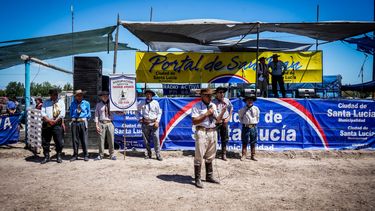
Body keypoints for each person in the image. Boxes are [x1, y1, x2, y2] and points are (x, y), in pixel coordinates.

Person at [191, 88, 226, 188]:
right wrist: (206, 113)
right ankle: (197, 178)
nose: (210, 97)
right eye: (207, 95)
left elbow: (217, 119)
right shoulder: (196, 106)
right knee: (199, 155)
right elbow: (194, 121)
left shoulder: (213, 105)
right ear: (202, 96)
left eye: (211, 95)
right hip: (201, 131)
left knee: (211, 155)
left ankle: (209, 176)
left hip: (212, 131)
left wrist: (222, 112)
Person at [40, 89, 66, 164]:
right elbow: (43, 113)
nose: (55, 96)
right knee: (45, 141)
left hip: (57, 123)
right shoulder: (46, 102)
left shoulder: (61, 102)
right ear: (50, 95)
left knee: (59, 141)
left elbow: (62, 114)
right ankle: (46, 156)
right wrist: (49, 120)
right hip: (47, 123)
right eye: (53, 94)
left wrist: (55, 121)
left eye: (56, 94)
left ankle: (58, 155)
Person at [138, 89, 163, 161]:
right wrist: (139, 118)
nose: (148, 95)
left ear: (152, 95)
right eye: (147, 94)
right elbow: (136, 111)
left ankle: (158, 154)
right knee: (146, 140)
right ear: (145, 95)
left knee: (156, 139)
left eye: (150, 94)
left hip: (154, 123)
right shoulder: (141, 103)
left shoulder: (156, 103)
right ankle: (149, 154)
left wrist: (157, 121)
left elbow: (159, 113)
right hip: (145, 123)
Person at [212, 87, 233, 161]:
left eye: (223, 92)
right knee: (214, 138)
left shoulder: (227, 101)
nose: (222, 94)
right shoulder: (213, 102)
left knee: (225, 138)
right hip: (216, 123)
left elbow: (231, 109)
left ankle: (223, 154)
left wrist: (228, 118)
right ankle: (213, 153)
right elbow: (211, 113)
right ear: (216, 94)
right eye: (220, 92)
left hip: (224, 122)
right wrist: (216, 120)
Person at [69, 89, 91, 162]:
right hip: (75, 122)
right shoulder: (72, 104)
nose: (79, 97)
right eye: (78, 95)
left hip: (83, 122)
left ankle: (86, 155)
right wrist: (73, 118)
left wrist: (84, 120)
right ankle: (75, 155)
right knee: (75, 139)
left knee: (84, 139)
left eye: (81, 95)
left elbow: (89, 114)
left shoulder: (86, 103)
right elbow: (71, 113)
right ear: (75, 96)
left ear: (82, 96)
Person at [94, 91, 116, 161]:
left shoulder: (112, 104)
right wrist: (97, 125)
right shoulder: (98, 105)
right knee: (101, 140)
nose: (105, 97)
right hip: (101, 123)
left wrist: (123, 112)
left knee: (111, 140)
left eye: (106, 95)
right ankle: (101, 155)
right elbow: (96, 116)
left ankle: (112, 154)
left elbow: (116, 112)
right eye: (103, 96)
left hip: (110, 123)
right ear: (101, 97)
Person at [238, 96, 260, 161]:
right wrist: (244, 123)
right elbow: (240, 117)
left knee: (253, 141)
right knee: (245, 141)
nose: (250, 101)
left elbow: (257, 117)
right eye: (248, 100)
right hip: (246, 127)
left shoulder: (256, 109)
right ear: (246, 101)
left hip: (253, 126)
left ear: (253, 101)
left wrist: (254, 123)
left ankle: (253, 155)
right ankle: (243, 155)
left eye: (251, 100)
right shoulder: (243, 109)